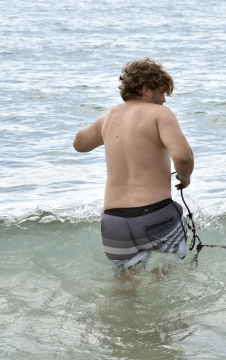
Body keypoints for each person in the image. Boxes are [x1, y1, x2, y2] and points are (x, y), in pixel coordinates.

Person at [73, 57, 194, 268]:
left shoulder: (108, 117)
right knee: (166, 270)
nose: (164, 100)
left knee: (124, 282)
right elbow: (183, 156)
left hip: (114, 223)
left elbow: (79, 144)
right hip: (156, 216)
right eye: (162, 92)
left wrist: (107, 127)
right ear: (147, 90)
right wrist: (185, 176)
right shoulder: (160, 114)